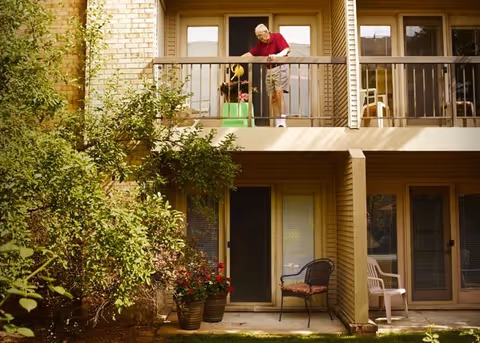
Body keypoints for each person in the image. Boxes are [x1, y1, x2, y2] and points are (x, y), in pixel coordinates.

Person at [240, 24, 290, 127]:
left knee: (279, 93)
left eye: (260, 35)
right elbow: (251, 54)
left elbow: (286, 49)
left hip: (280, 67)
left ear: (266, 31)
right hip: (269, 70)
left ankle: (282, 122)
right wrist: (236, 60)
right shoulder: (260, 44)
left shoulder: (277, 37)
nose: (259, 38)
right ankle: (277, 122)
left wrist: (277, 56)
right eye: (257, 36)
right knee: (273, 97)